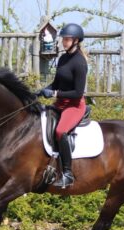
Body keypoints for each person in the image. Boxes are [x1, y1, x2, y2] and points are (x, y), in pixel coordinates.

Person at [39, 23, 88, 189]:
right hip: (60, 104)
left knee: (60, 131)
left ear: (75, 40)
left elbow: (77, 93)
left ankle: (68, 174)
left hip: (74, 106)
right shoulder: (63, 58)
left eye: (66, 39)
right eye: (63, 39)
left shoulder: (80, 63)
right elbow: (56, 83)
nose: (63, 42)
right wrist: (44, 90)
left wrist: (54, 94)